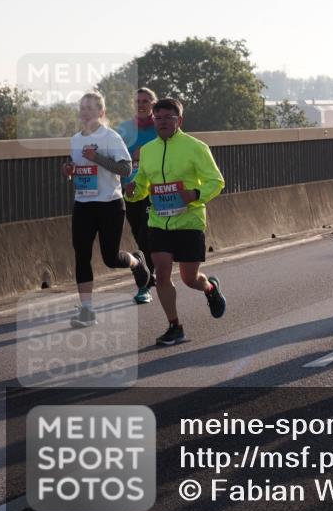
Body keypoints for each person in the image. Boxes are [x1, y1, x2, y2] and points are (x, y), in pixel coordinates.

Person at [125, 98, 226, 346]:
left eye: (167, 118)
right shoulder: (148, 150)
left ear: (178, 120)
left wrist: (196, 195)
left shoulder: (196, 147)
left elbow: (217, 181)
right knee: (161, 273)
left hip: (189, 221)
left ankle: (210, 288)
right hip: (159, 221)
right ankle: (174, 326)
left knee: (189, 279)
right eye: (157, 118)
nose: (162, 122)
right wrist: (132, 192)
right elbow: (142, 187)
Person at [63, 92, 152, 328]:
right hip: (83, 204)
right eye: (83, 107)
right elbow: (77, 168)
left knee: (111, 258)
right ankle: (87, 311)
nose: (87, 111)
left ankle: (136, 262)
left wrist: (98, 157)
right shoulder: (75, 140)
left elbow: (125, 169)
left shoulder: (111, 137)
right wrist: (69, 169)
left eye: (92, 108)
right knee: (81, 255)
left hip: (110, 204)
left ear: (101, 112)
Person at [117, 87, 159, 304]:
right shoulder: (123, 129)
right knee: (139, 232)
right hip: (130, 190)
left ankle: (146, 282)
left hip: (154, 190)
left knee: (146, 233)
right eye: (137, 101)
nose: (141, 105)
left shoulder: (160, 127)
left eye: (145, 101)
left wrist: (146, 153)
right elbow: (113, 156)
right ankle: (152, 272)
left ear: (153, 104)